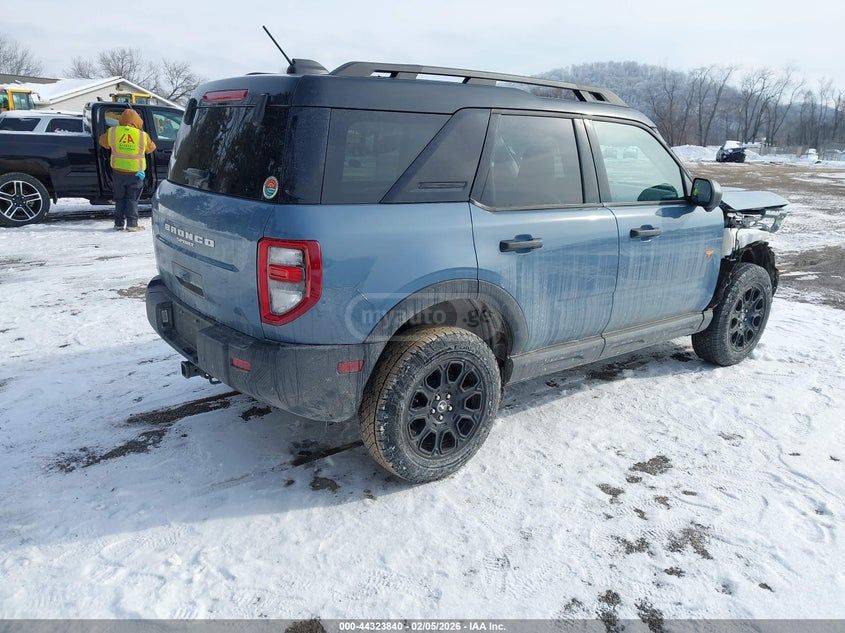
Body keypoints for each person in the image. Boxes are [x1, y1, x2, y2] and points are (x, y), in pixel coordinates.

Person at [98, 109, 156, 231]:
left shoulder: (113, 132)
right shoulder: (142, 135)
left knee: (119, 198)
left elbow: (102, 142)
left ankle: (118, 224)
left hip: (118, 172)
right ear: (137, 121)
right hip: (136, 174)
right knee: (132, 199)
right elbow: (151, 148)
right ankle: (132, 224)